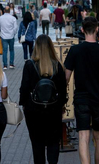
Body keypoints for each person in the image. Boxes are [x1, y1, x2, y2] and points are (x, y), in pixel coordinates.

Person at [64, 17, 99, 164]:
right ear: (97, 29)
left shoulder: (75, 50)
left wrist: (61, 98)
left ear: (82, 30)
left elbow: (66, 77)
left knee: (83, 136)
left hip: (81, 98)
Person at [20, 35, 67, 164]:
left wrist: (24, 104)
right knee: (53, 143)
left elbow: (24, 88)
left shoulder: (29, 65)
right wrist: (61, 105)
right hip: (53, 109)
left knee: (37, 144)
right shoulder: (57, 65)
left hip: (34, 110)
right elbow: (63, 90)